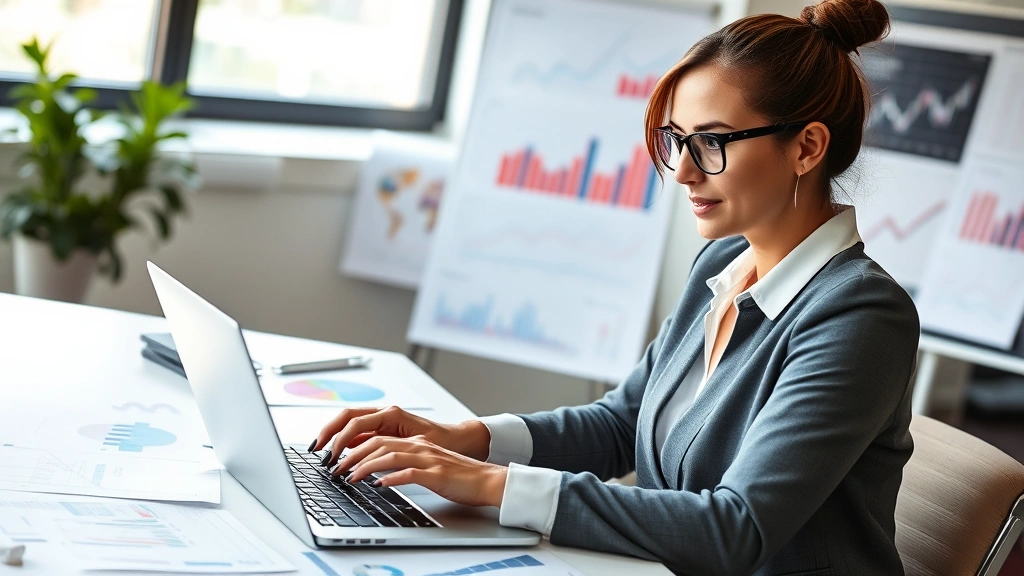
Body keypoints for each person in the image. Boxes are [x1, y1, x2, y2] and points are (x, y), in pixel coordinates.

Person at [309, 0, 920, 573]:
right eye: (676, 139)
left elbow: (736, 530)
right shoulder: (726, 263)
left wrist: (484, 482)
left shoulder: (860, 315)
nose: (680, 170)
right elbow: (623, 422)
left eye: (711, 142)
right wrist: (466, 439)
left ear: (807, 147)